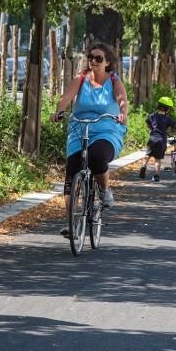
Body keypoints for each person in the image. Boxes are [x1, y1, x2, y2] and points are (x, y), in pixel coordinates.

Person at [50, 42, 128, 237]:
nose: (93, 61)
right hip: (79, 129)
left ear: (107, 62)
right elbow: (65, 97)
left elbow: (122, 99)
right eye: (91, 57)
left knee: (96, 158)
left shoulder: (113, 80)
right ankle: (71, 221)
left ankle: (104, 191)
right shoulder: (81, 78)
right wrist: (59, 111)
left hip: (106, 129)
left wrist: (122, 113)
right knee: (71, 172)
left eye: (98, 58)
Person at [139, 96, 176, 182]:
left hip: (153, 139)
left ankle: (144, 165)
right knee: (157, 159)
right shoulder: (167, 119)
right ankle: (156, 176)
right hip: (162, 140)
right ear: (167, 109)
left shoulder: (152, 116)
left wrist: (152, 128)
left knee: (148, 155)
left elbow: (148, 124)